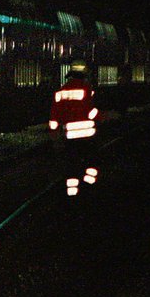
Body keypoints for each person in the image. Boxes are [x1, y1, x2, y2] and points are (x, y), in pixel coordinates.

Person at [49, 60, 100, 196]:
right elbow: (92, 111)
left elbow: (54, 117)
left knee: (71, 164)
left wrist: (55, 134)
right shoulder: (87, 89)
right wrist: (100, 117)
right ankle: (90, 188)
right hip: (87, 134)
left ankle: (72, 193)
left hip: (69, 135)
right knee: (89, 160)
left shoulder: (60, 91)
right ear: (84, 74)